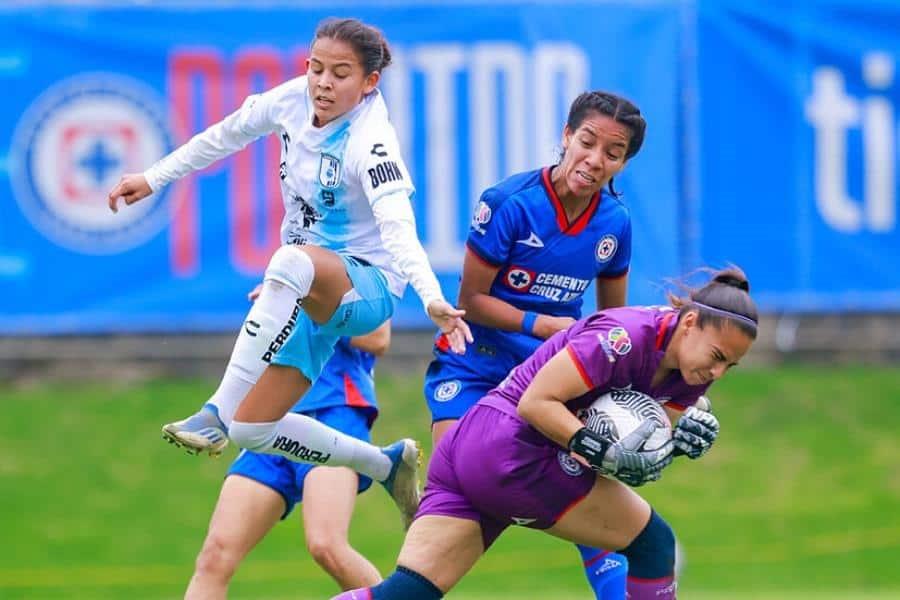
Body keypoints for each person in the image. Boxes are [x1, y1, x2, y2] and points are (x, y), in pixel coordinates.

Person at [107, 18, 472, 526]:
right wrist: (152, 177)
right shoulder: (291, 100)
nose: (322, 82)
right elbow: (224, 135)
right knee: (253, 431)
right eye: (315, 68)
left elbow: (398, 227)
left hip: (368, 289)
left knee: (290, 261)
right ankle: (385, 465)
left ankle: (214, 411)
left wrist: (431, 297)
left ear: (370, 82)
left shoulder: (372, 141)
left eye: (340, 73)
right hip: (311, 283)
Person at [333, 267, 758, 600]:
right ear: (688, 323)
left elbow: (636, 450)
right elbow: (536, 403)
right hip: (513, 449)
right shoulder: (624, 337)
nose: (717, 372)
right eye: (717, 357)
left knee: (406, 592)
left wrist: (673, 446)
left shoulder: (692, 370)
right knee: (654, 545)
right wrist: (598, 448)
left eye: (729, 366)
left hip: (474, 449)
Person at [423, 90, 644, 597]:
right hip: (474, 368)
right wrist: (544, 325)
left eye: (613, 152)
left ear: (623, 162)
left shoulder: (615, 223)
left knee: (595, 494)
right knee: (457, 498)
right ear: (566, 137)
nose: (594, 159)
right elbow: (471, 300)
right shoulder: (508, 203)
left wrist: (635, 398)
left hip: (551, 379)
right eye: (586, 141)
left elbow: (612, 323)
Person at [187, 319, 390, 599]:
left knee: (326, 545)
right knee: (214, 556)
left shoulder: (365, 275)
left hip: (332, 409)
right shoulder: (287, 278)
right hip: (269, 419)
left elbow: (378, 337)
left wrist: (310, 307)